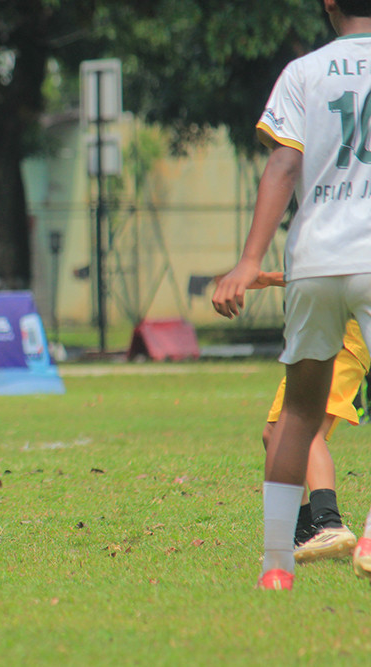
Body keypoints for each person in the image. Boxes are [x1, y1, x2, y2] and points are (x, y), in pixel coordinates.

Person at [212, 0, 371, 590]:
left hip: (315, 260)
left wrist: (250, 260)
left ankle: (276, 567)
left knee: (296, 416)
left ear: (330, 3)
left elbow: (282, 167)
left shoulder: (304, 71)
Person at [243, 271, 364, 562]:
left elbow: (329, 273)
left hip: (340, 340)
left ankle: (329, 523)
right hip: (320, 337)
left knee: (303, 431)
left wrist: (262, 275)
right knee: (274, 433)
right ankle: (306, 534)